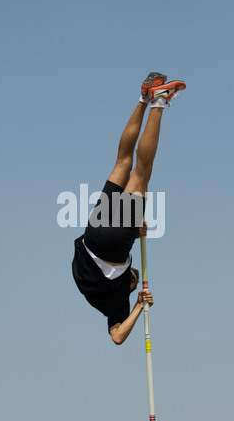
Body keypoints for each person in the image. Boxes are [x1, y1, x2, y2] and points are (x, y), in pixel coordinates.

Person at [72, 72, 186, 345]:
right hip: (93, 232)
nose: (134, 274)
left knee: (141, 173)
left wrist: (138, 305)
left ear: (131, 284)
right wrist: (133, 233)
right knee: (122, 162)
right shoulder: (103, 302)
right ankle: (143, 98)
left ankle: (158, 101)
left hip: (109, 246)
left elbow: (118, 337)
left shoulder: (117, 304)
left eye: (133, 277)